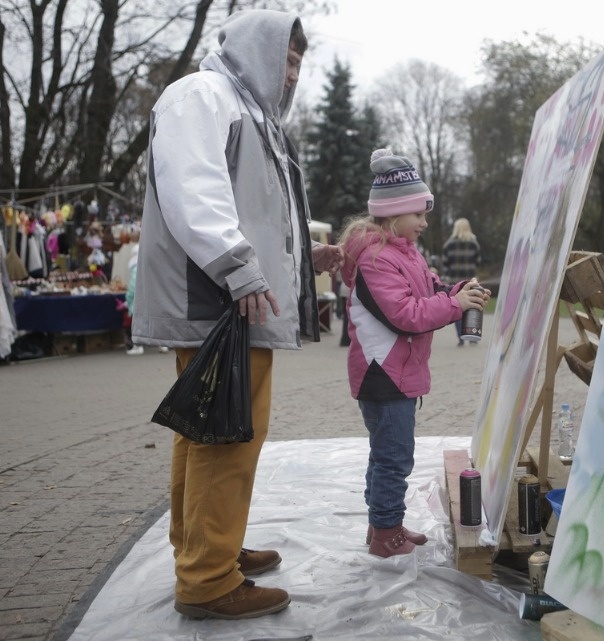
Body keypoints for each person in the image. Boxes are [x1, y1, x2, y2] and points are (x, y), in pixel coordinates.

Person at [131, 10, 344, 620]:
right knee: (228, 436)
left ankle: (202, 547)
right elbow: (194, 190)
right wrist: (236, 267)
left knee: (203, 431)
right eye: (287, 57)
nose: (293, 73)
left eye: (301, 61)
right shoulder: (203, 95)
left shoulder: (250, 112)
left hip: (228, 300)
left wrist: (307, 254)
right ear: (258, 50)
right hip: (220, 304)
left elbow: (256, 213)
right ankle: (207, 577)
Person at [338, 149, 489, 558]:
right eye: (419, 214)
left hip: (395, 373)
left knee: (386, 453)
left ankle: (382, 524)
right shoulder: (376, 258)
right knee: (393, 458)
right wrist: (455, 308)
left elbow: (428, 294)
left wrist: (457, 294)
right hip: (383, 375)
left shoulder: (405, 253)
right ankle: (387, 534)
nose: (425, 222)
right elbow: (405, 315)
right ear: (393, 215)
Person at [441, 218, 482, 345]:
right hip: (470, 281)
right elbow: (478, 261)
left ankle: (461, 337)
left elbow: (445, 263)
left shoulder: (448, 244)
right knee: (472, 306)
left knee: (458, 306)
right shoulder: (474, 243)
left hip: (454, 282)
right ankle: (472, 334)